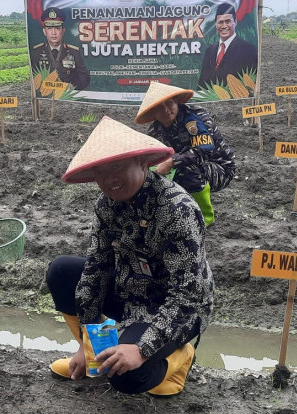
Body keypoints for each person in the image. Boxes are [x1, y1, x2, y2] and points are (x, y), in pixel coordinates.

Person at [46, 116, 214, 397]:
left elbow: (186, 296)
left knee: (127, 377)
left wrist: (141, 348)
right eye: (100, 171)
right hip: (130, 293)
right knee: (62, 270)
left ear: (142, 162)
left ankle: (180, 358)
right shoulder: (106, 205)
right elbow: (96, 270)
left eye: (117, 166)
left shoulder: (177, 210)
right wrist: (85, 345)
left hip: (176, 309)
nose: (110, 178)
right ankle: (96, 357)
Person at [135, 81, 236, 226]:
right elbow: (152, 156)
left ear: (176, 102)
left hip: (220, 168)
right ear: (153, 113)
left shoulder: (194, 117)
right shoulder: (155, 130)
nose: (166, 110)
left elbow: (205, 150)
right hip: (185, 166)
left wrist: (172, 162)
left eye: (169, 104)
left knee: (186, 171)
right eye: (159, 108)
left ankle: (203, 218)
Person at [197, 3, 258, 90]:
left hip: (237, 101)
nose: (224, 26)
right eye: (220, 22)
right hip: (212, 101)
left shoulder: (248, 49)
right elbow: (202, 84)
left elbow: (252, 81)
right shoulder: (209, 51)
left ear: (235, 22)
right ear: (216, 25)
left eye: (228, 21)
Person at [30, 7, 90, 91]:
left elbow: (85, 78)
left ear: (63, 31)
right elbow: (32, 76)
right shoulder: (37, 52)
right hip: (45, 96)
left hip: (67, 97)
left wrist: (73, 86)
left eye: (57, 28)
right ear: (44, 31)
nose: (53, 33)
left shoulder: (74, 52)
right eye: (49, 28)